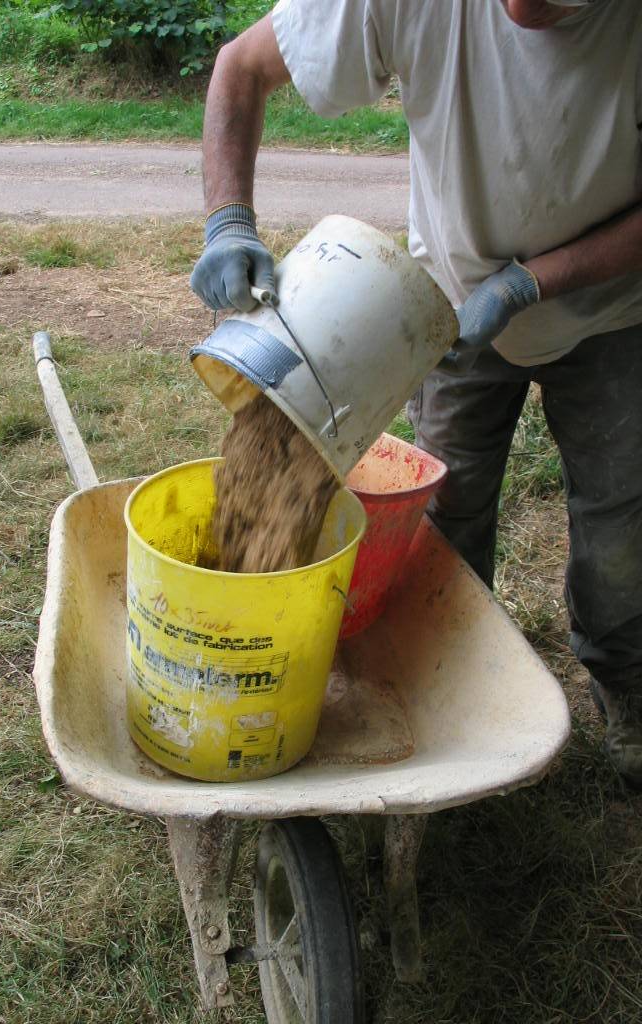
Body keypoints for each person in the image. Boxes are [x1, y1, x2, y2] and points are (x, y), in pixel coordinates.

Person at [189, 0, 642, 788]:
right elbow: (242, 67)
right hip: (447, 308)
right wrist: (228, 220)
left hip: (617, 312)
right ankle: (449, 700)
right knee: (444, 521)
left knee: (621, 527)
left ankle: (626, 682)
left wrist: (538, 281)